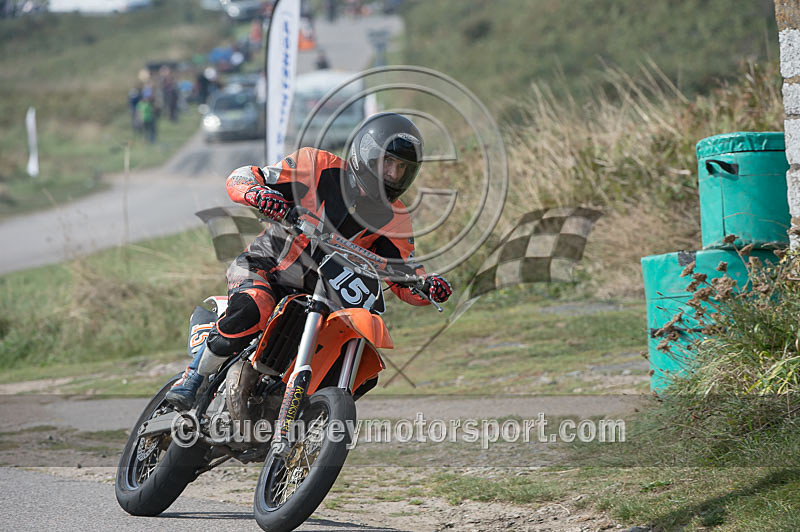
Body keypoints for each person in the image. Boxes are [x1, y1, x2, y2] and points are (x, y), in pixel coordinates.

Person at [166, 113, 453, 409]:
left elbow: (403, 273)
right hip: (266, 267)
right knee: (255, 307)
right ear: (366, 154)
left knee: (362, 368)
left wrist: (427, 286)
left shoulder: (397, 219)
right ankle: (192, 379)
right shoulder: (316, 166)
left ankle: (300, 418)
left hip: (324, 297)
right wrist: (258, 193)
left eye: (403, 169)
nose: (393, 175)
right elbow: (242, 177)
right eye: (388, 163)